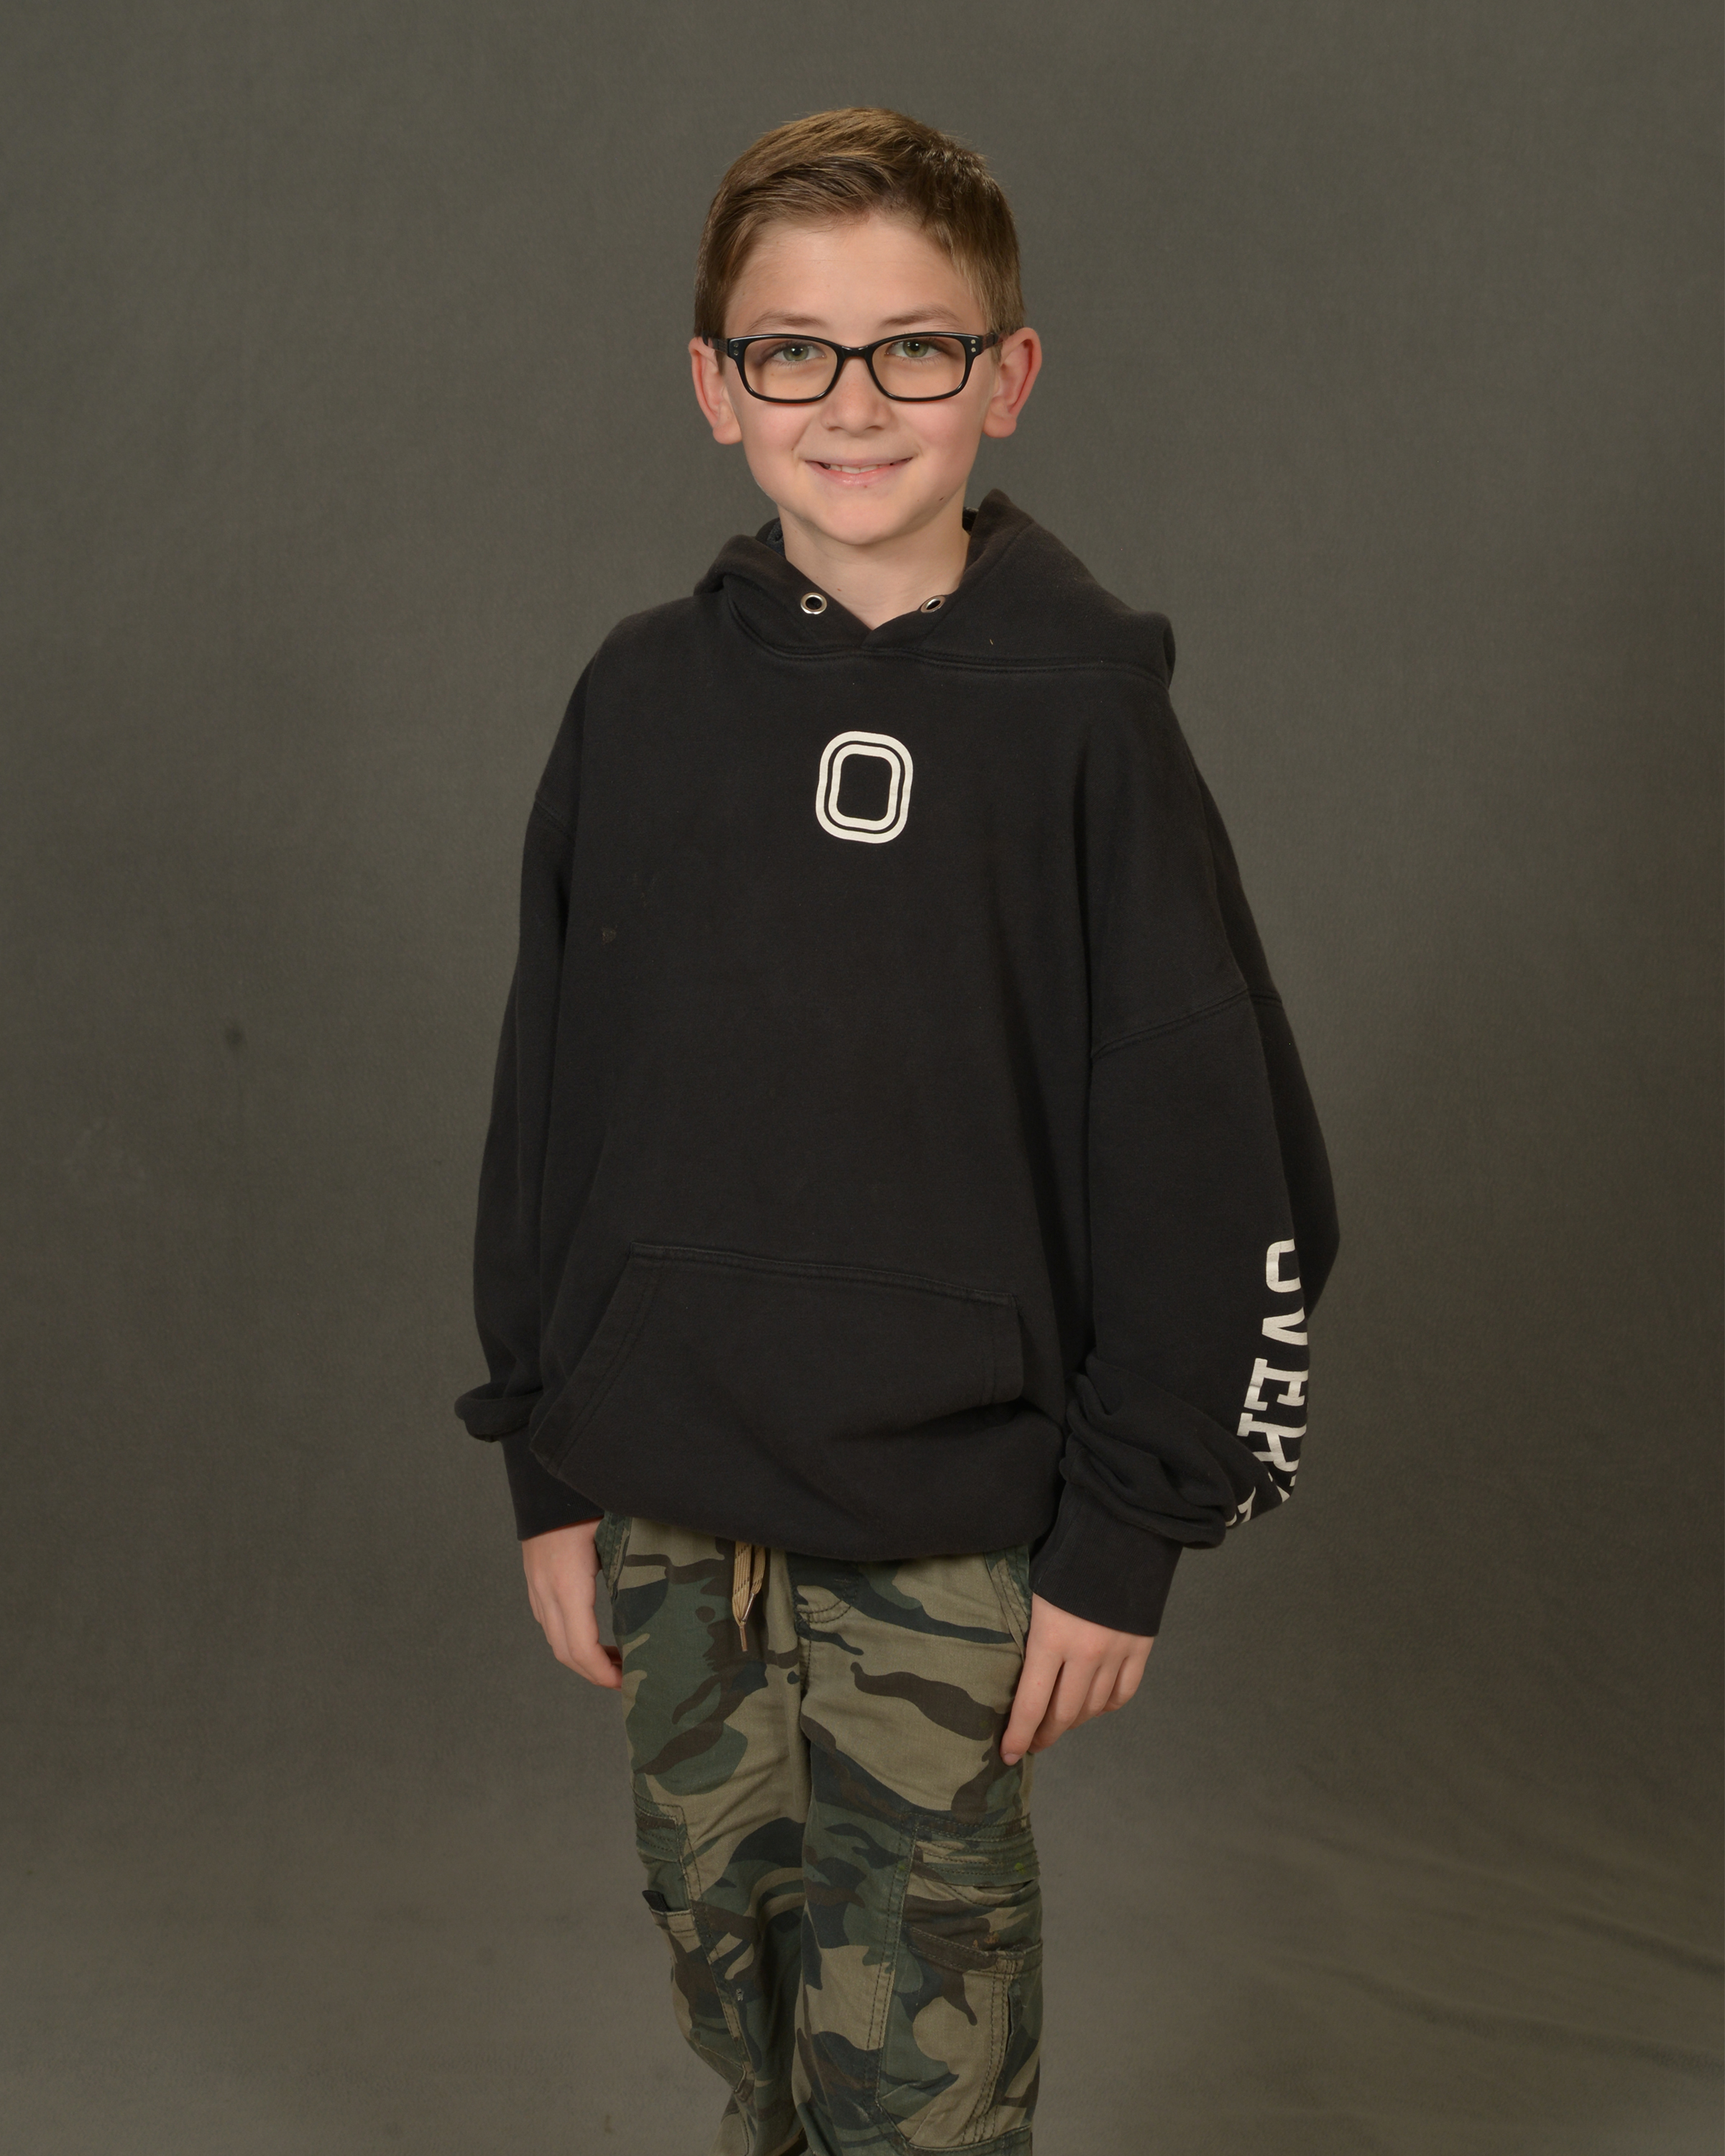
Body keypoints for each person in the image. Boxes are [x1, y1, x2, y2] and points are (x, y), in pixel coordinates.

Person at [455, 106, 1338, 2156]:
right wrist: (546, 1460)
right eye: (793, 351)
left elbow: (1221, 1157)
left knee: (920, 2051)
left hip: (949, 1529)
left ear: (1004, 374)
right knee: (735, 1990)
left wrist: (1130, 1536)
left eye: (913, 347)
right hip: (672, 1513)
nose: (851, 404)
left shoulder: (1087, 725)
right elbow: (552, 1102)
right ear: (716, 386)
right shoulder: (638, 701)